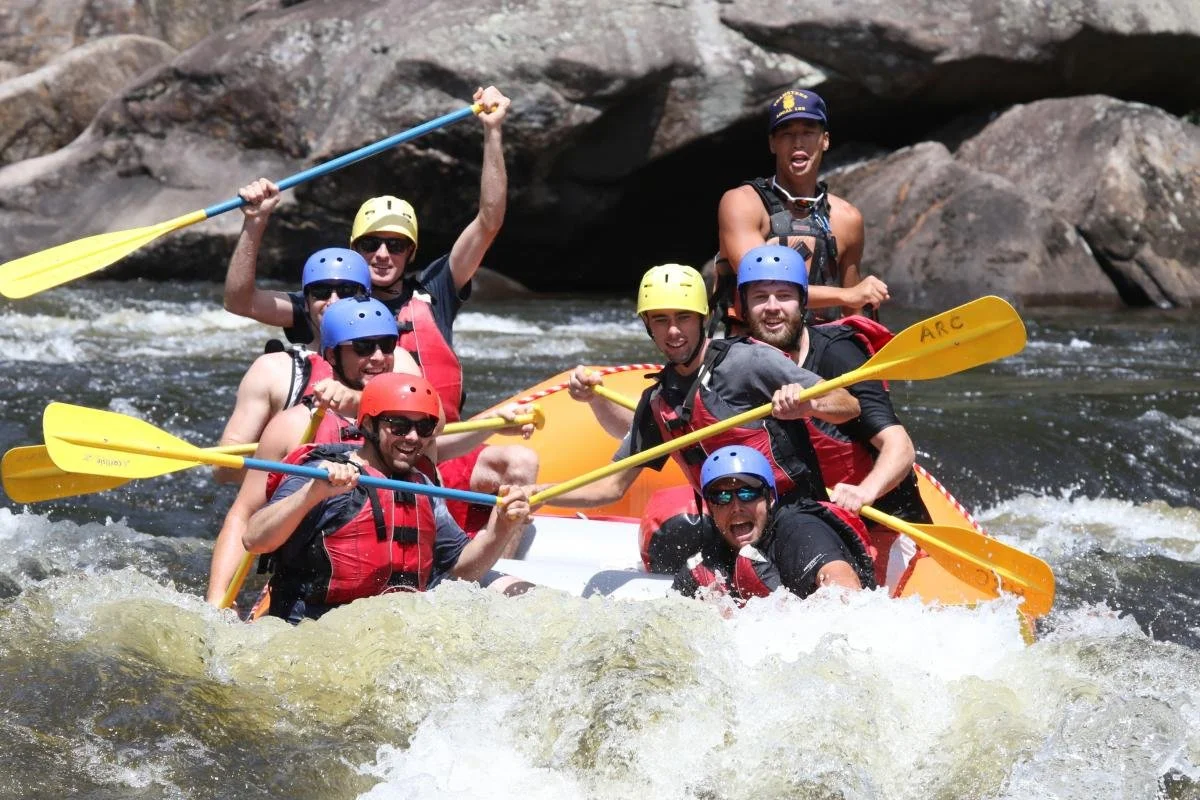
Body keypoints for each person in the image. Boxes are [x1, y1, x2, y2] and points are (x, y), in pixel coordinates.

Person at [222, 86, 526, 534]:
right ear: (353, 248)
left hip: (435, 446)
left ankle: (486, 562)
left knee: (521, 460)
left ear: (411, 252)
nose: (383, 254)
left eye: (396, 245)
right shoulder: (327, 302)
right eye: (370, 244)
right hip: (355, 458)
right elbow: (240, 301)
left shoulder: (434, 290)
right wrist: (255, 222)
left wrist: (493, 131)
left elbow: (489, 222)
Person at [551, 263, 860, 509]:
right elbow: (610, 488)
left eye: (683, 317)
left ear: (704, 318)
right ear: (648, 326)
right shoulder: (660, 399)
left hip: (793, 514)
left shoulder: (749, 361)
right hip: (729, 524)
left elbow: (847, 404)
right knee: (668, 538)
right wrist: (533, 494)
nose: (673, 331)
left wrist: (810, 405)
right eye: (660, 320)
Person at [243, 373, 533, 622]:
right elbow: (254, 539)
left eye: (424, 427)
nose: (412, 437)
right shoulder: (322, 474)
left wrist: (501, 528)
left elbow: (462, 573)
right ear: (368, 425)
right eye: (398, 425)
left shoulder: (421, 486)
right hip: (313, 633)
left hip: (393, 637)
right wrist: (311, 495)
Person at [737, 244, 932, 587]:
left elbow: (899, 445)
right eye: (759, 297)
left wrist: (865, 491)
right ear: (743, 306)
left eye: (783, 296)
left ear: (803, 303)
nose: (772, 308)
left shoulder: (839, 355)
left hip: (882, 519)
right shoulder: (738, 361)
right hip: (805, 522)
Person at [213, 248, 420, 484]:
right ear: (307, 301)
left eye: (347, 291)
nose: (333, 301)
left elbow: (433, 428)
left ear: (367, 296)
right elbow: (223, 470)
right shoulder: (272, 369)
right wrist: (280, 453)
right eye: (321, 292)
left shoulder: (396, 359)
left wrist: (356, 400)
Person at [714, 88, 889, 328]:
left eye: (808, 132)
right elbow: (760, 280)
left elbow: (853, 310)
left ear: (825, 140)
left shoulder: (847, 218)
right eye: (787, 134)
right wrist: (848, 295)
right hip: (752, 349)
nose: (798, 143)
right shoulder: (741, 203)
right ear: (772, 143)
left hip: (822, 347)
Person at [673, 446, 876, 602]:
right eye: (722, 497)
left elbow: (844, 586)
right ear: (711, 509)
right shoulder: (708, 562)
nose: (736, 507)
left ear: (769, 498)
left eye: (747, 493)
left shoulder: (799, 529)